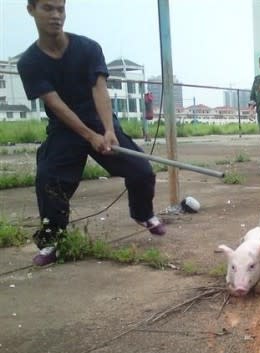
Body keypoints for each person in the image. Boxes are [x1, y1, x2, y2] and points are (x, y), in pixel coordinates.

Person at [18, 0, 165, 266]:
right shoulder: (29, 62)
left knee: (141, 170)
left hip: (100, 121)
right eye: (47, 8)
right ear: (31, 9)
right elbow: (55, 104)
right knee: (49, 180)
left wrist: (108, 130)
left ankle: (143, 213)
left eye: (60, 9)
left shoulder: (88, 48)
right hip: (65, 128)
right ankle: (53, 240)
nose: (55, 15)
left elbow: (99, 89)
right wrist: (89, 136)